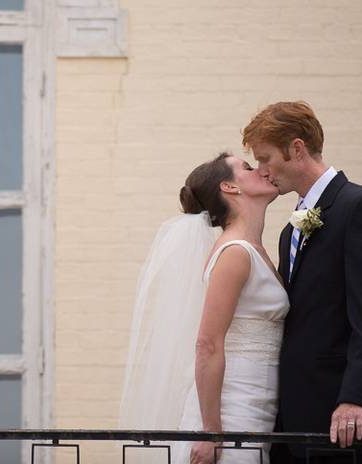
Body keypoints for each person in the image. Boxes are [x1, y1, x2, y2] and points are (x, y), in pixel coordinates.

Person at [242, 101, 362, 464]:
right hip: (296, 420)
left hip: (345, 421)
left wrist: (357, 398)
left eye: (266, 158)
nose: (263, 171)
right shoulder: (290, 231)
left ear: (297, 149)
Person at [121, 152, 288, 464]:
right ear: (230, 187)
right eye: (249, 168)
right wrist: (211, 432)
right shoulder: (235, 253)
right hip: (230, 414)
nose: (263, 171)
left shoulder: (253, 250)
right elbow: (207, 344)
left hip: (257, 409)